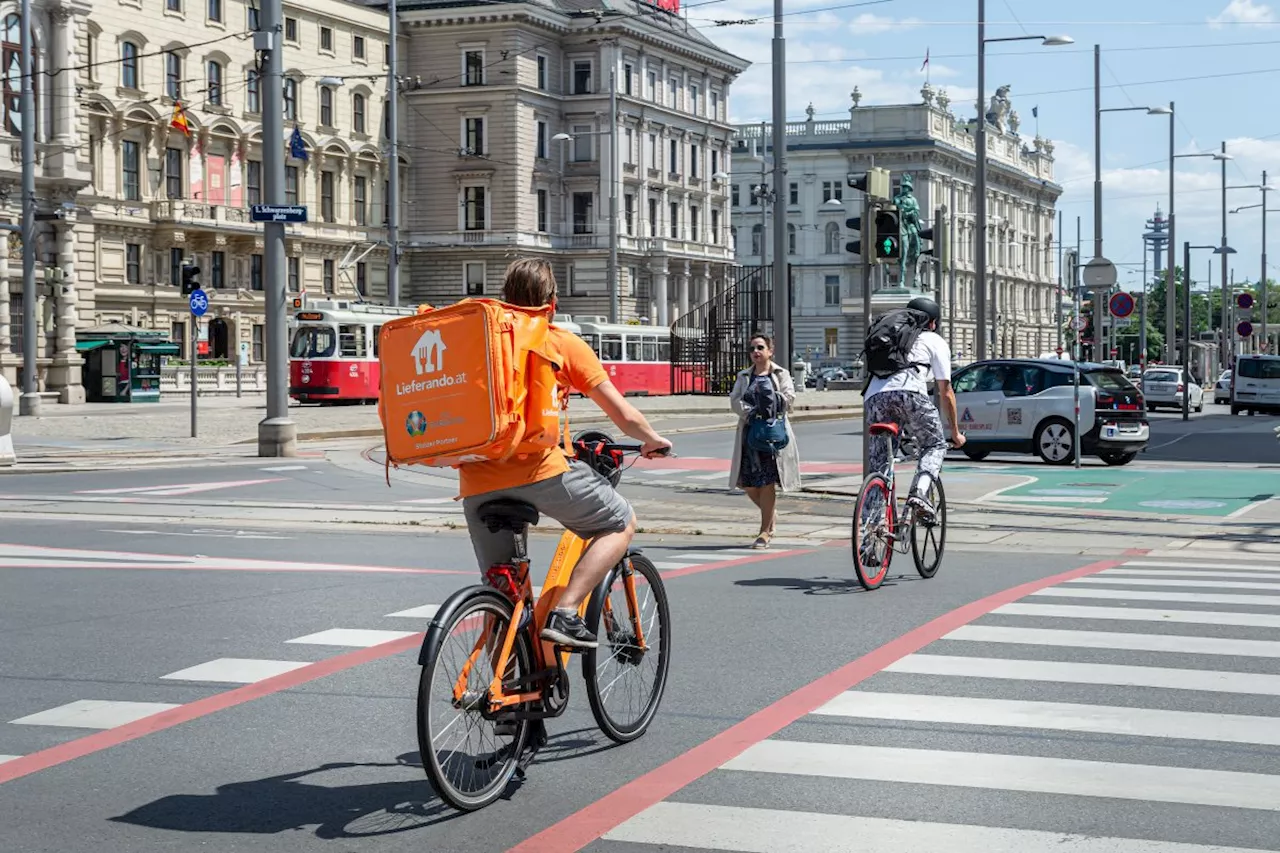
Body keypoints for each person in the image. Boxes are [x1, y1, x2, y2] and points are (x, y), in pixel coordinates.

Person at [460, 258, 672, 649]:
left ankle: (500, 697)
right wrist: (652, 439)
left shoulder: (479, 341)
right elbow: (623, 415)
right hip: (539, 471)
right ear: (551, 303)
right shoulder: (558, 340)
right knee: (620, 521)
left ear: (505, 299)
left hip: (476, 481)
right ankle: (567, 611)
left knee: (502, 594)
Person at [863, 297, 965, 518]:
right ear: (932, 322)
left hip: (873, 397)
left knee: (879, 465)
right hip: (910, 393)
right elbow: (945, 391)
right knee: (935, 445)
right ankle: (919, 492)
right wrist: (955, 433)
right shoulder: (933, 340)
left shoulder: (892, 335)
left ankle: (869, 534)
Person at [728, 333, 801, 549]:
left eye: (760, 347)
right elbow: (734, 400)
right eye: (752, 349)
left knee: (767, 481)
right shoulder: (744, 376)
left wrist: (773, 402)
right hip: (749, 434)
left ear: (770, 351)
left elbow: (790, 398)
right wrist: (749, 412)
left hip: (772, 433)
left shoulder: (781, 373)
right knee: (748, 483)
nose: (755, 352)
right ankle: (770, 516)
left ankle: (765, 532)